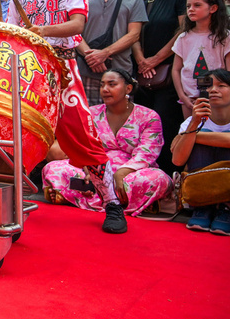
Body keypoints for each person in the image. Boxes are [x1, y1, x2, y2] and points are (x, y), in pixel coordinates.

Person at [8, 0, 127, 233]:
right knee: (13, 134)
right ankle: (4, 196)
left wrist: (43, 31)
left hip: (62, 69)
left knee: (82, 136)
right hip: (27, 73)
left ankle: (111, 203)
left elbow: (77, 25)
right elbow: (11, 36)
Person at [42, 69, 171, 216]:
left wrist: (121, 173)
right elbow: (84, 146)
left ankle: (78, 196)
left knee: (156, 179)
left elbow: (147, 153)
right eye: (102, 85)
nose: (105, 89)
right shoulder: (91, 113)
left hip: (131, 172)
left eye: (112, 84)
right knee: (53, 168)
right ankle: (122, 200)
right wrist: (90, 168)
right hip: (95, 168)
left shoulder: (148, 116)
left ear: (128, 88)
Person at [132, 0, 190, 174]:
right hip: (144, 72)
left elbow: (182, 31)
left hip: (171, 72)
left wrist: (156, 59)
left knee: (166, 123)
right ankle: (147, 173)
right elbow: (136, 34)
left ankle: (169, 175)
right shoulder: (148, 1)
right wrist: (141, 60)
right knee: (145, 125)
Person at [75, 0, 148, 106]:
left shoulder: (134, 0)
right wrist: (92, 58)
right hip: (86, 71)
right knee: (89, 122)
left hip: (120, 71)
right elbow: (74, 32)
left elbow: (134, 34)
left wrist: (104, 53)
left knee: (121, 122)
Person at [171, 69, 230, 234]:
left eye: (222, 85)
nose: (213, 90)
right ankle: (203, 206)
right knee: (197, 139)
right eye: (209, 86)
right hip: (200, 190)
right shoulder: (192, 121)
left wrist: (190, 136)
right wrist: (194, 124)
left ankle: (225, 208)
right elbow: (177, 161)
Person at [172, 0, 230, 119]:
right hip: (190, 98)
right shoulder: (183, 37)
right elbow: (176, 69)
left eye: (197, 5)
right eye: (188, 6)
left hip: (217, 97)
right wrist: (182, 96)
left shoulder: (224, 36)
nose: (191, 9)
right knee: (192, 133)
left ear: (213, 8)